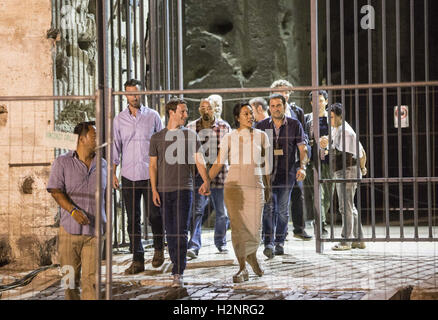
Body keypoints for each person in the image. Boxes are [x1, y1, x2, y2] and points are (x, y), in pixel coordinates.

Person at [149, 97, 211, 288]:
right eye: (182, 111)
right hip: (164, 191)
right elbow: (152, 166)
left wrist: (206, 180)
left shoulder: (190, 136)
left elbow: (199, 160)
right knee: (170, 232)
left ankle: (178, 271)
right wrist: (153, 190)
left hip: (184, 189)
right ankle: (176, 263)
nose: (186, 115)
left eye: (186, 111)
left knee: (181, 231)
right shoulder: (157, 137)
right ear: (172, 112)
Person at [209, 102, 271, 283]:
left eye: (251, 113)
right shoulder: (229, 137)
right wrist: (206, 180)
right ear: (237, 118)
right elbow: (219, 162)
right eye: (246, 114)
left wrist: (268, 187)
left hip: (256, 184)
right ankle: (242, 267)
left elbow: (266, 166)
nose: (250, 116)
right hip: (234, 186)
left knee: (254, 228)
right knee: (237, 229)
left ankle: (252, 255)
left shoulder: (262, 136)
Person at [47, 121, 106, 300]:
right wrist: (73, 211)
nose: (99, 139)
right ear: (82, 139)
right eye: (94, 136)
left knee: (92, 282)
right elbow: (55, 191)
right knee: (70, 281)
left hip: (94, 232)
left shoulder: (103, 164)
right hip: (69, 232)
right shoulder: (62, 162)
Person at [113, 79, 165, 275]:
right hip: (128, 175)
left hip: (151, 175)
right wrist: (113, 173)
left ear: (141, 94)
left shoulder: (153, 117)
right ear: (125, 95)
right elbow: (116, 147)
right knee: (132, 219)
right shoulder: (118, 120)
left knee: (154, 215)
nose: (134, 96)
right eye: (130, 93)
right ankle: (138, 259)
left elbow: (162, 144)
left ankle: (159, 248)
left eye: (137, 93)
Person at [256, 94, 308, 259]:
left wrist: (303, 167)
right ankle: (268, 243)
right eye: (272, 106)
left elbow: (302, 149)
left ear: (285, 106)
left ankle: (279, 242)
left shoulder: (294, 124)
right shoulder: (262, 125)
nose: (275, 108)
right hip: (267, 175)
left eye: (278, 105)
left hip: (287, 174)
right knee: (268, 208)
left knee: (282, 211)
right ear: (269, 108)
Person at [186, 98, 231, 258]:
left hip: (220, 175)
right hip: (198, 175)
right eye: (203, 107)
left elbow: (226, 153)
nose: (206, 111)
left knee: (222, 212)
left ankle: (221, 242)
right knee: (196, 211)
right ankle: (194, 245)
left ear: (215, 109)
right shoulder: (191, 127)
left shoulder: (224, 127)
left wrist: (211, 173)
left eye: (209, 108)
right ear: (199, 109)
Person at [270, 79, 312, 241]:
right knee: (276, 197)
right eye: (281, 91)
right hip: (275, 162)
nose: (285, 94)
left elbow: (304, 132)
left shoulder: (297, 111)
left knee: (298, 193)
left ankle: (299, 229)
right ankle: (278, 232)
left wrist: (304, 148)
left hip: (294, 159)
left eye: (287, 91)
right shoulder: (270, 111)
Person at [324, 103, 367, 251]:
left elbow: (360, 153)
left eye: (331, 117)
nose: (329, 120)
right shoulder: (337, 129)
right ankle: (359, 239)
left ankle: (346, 240)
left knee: (345, 206)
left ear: (340, 116)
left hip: (347, 170)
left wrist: (362, 167)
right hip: (343, 170)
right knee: (349, 206)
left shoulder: (346, 132)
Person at [304, 90, 333, 237]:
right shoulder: (307, 119)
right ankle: (320, 224)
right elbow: (303, 138)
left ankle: (321, 221)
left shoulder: (332, 118)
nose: (318, 104)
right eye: (315, 101)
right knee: (318, 194)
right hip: (313, 161)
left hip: (329, 160)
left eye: (321, 100)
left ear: (326, 102)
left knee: (328, 194)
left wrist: (329, 141)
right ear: (311, 103)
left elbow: (339, 136)